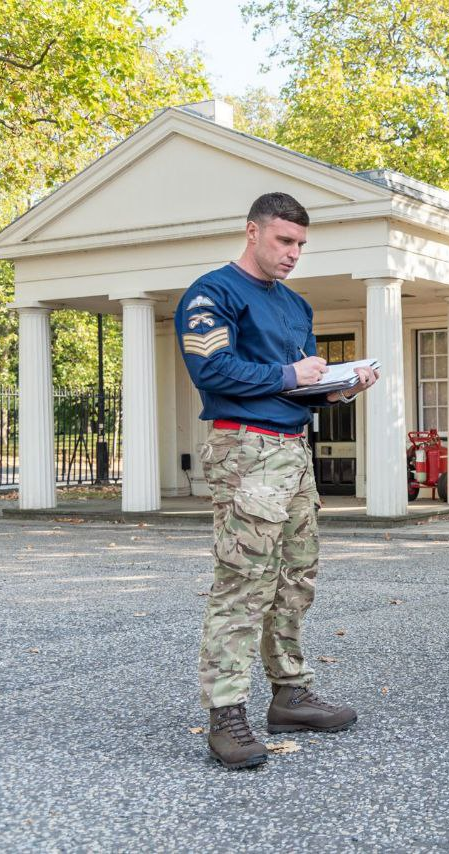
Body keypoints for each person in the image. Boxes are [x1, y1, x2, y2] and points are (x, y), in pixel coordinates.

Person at [176, 192, 380, 769]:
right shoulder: (212, 293)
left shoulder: (295, 305)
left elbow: (298, 386)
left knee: (295, 578)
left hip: (293, 449)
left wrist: (336, 388)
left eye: (300, 244)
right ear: (252, 232)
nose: (293, 252)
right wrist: (290, 373)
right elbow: (211, 369)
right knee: (243, 582)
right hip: (245, 449)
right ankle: (226, 712)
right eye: (283, 240)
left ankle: (289, 693)